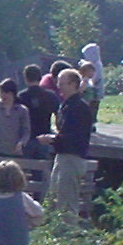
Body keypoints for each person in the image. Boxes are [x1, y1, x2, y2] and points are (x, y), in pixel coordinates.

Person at [42, 67, 94, 224]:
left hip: (72, 158)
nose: (59, 87)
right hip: (62, 156)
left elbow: (74, 137)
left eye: (62, 83)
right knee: (54, 196)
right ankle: (55, 233)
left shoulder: (79, 107)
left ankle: (68, 235)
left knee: (67, 202)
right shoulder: (66, 105)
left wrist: (53, 139)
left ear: (73, 85)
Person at [16, 65, 58, 159]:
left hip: (26, 138)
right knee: (42, 169)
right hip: (45, 137)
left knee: (25, 169)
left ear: (26, 78)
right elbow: (58, 116)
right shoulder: (50, 96)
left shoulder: (21, 96)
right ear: (40, 77)